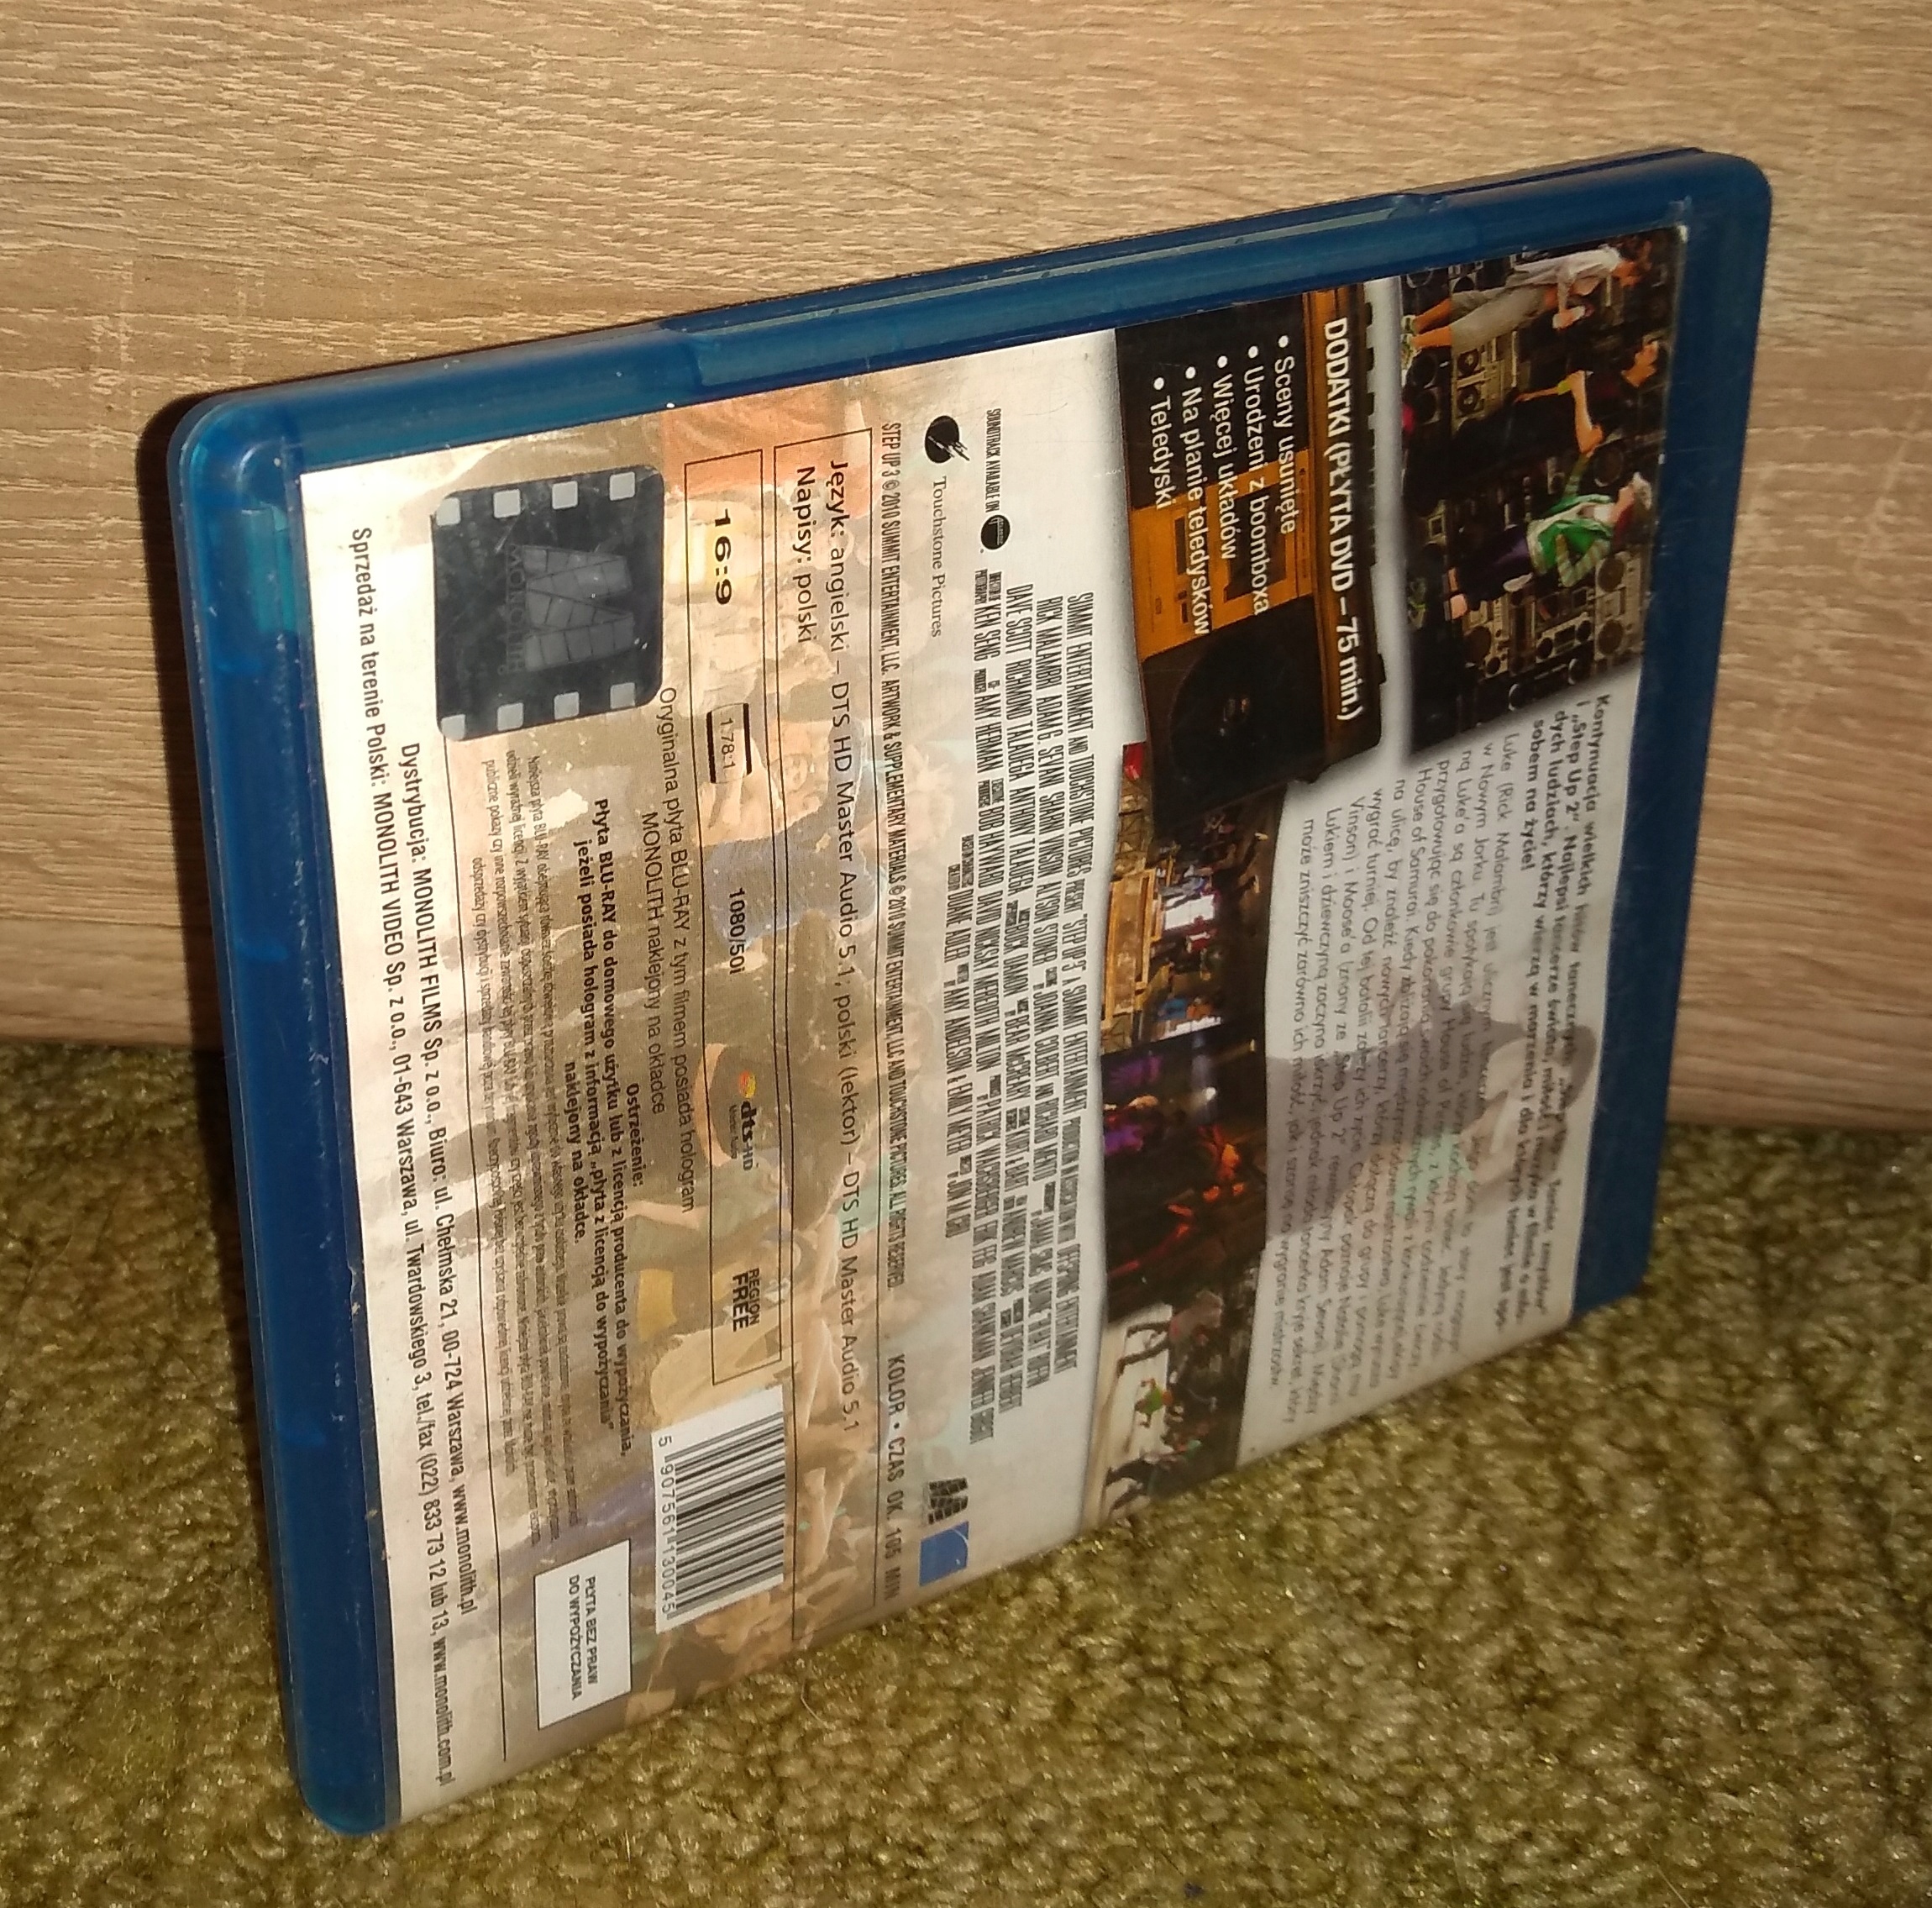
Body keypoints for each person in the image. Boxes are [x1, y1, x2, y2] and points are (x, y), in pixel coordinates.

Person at [1405, 339, 1667, 505]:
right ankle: (1424, 465)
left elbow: (1587, 442)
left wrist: (1579, 397)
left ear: (1652, 369)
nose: (1643, 348)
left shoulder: (1624, 404)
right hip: (1536, 411)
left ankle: (1424, 489)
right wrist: (1537, 395)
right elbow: (1569, 385)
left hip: (1543, 433)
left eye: (1650, 351)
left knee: (1483, 457)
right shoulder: (1616, 368)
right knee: (1476, 436)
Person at [1446, 472, 1653, 618]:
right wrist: (1583, 461)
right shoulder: (1602, 500)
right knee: (1468, 568)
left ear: (1631, 505)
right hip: (1526, 532)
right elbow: (1567, 503)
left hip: (1529, 557)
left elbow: (1570, 577)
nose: (1626, 487)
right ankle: (1437, 586)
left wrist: (1561, 545)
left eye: (1631, 489)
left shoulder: (1602, 542)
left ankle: (1439, 613)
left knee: (1477, 590)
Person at [1406, 244, 1649, 360]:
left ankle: (1416, 324)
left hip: (1535, 295)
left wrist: (1578, 306)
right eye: (1633, 282)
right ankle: (1413, 343)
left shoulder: (1605, 264)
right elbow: (1567, 270)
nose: (1629, 286)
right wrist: (1563, 308)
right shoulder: (1607, 262)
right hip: (1534, 294)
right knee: (1477, 329)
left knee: (1472, 302)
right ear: (1632, 270)